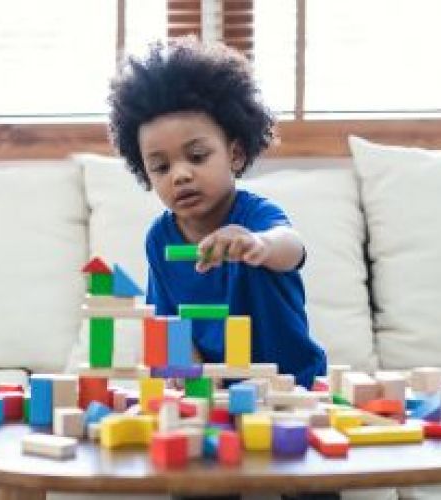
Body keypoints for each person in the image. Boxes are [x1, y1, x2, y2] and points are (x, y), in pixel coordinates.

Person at [108, 35, 336, 500]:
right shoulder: (160, 237)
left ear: (233, 153)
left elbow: (291, 246)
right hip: (217, 390)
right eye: (160, 166)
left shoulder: (254, 215)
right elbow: (170, 320)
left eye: (197, 156)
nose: (180, 175)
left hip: (289, 382)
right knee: (195, 483)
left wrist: (256, 244)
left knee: (311, 482)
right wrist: (179, 378)